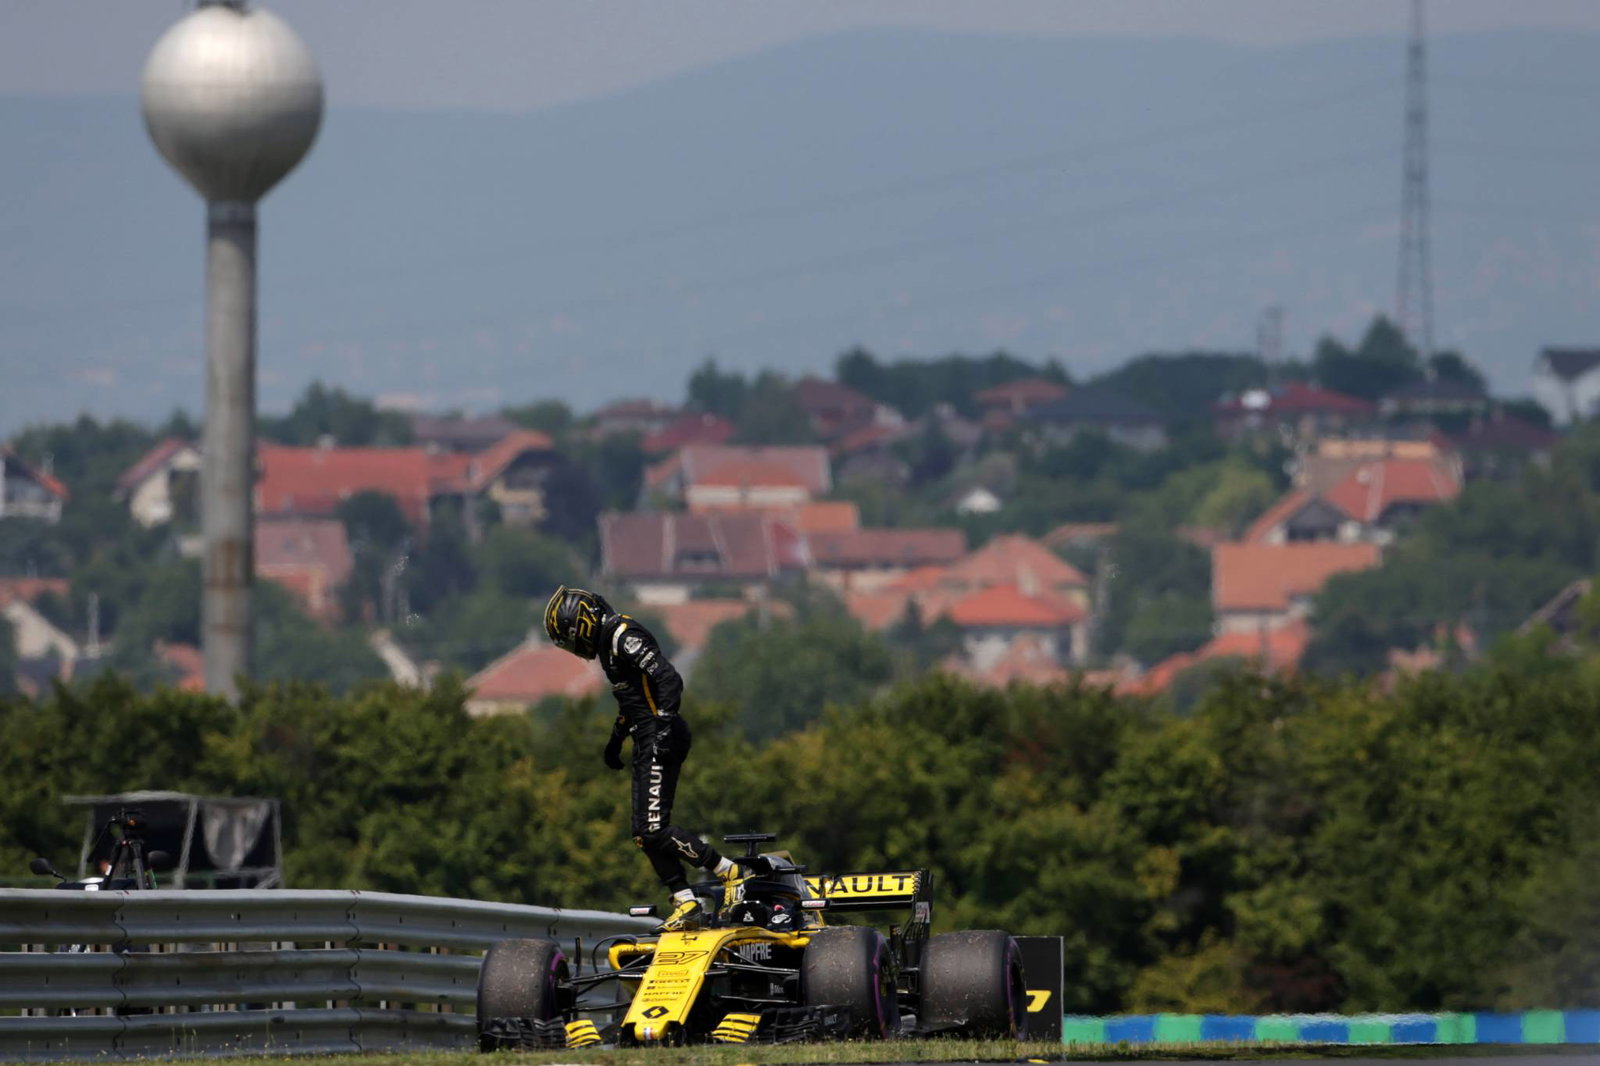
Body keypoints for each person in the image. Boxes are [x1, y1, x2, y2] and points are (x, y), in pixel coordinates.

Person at [543, 585, 766, 932]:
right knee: (643, 834)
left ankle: (732, 872)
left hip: (662, 737)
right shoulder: (607, 648)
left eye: (571, 641)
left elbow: (669, 679)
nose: (575, 650)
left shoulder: (623, 636)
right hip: (645, 737)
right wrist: (616, 738)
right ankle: (686, 901)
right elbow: (632, 700)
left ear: (583, 625)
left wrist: (662, 727)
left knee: (654, 828)